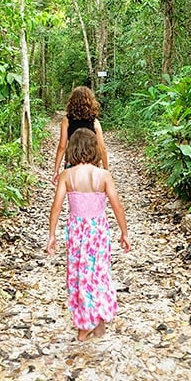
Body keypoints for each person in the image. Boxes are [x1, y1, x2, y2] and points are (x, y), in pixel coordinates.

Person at [46, 127, 130, 342]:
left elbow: (56, 206)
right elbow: (117, 206)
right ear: (95, 150)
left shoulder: (67, 175)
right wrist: (124, 232)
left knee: (79, 275)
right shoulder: (103, 175)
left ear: (72, 150)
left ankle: (85, 326)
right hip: (98, 232)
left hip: (76, 232)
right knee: (98, 273)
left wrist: (52, 235)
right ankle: (97, 320)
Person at [52, 86, 108, 186]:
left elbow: (62, 146)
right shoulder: (94, 122)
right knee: (91, 191)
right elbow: (102, 147)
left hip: (72, 161)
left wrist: (56, 170)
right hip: (92, 163)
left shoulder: (66, 120)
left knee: (74, 193)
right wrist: (106, 169)